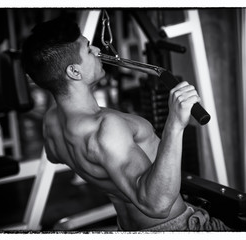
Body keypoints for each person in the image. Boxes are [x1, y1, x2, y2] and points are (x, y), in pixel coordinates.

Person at [21, 14, 230, 231]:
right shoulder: (106, 128)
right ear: (74, 71)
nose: (97, 51)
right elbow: (157, 205)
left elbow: (54, 155)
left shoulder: (52, 122)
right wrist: (174, 124)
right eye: (88, 49)